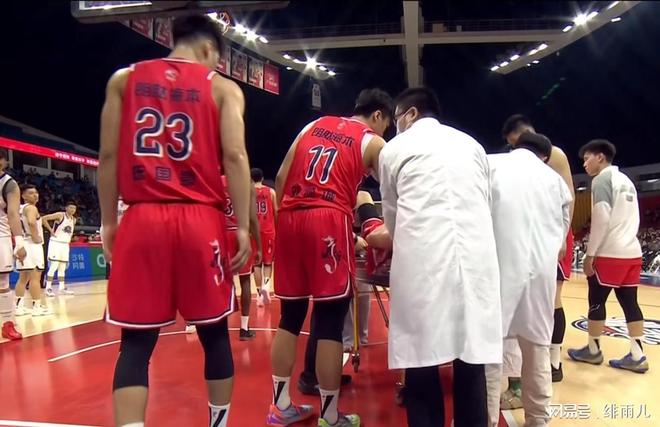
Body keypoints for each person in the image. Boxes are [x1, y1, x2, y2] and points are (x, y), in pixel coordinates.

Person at [98, 14, 252, 427]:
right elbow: (235, 156)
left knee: (135, 343)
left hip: (142, 216)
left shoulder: (123, 80)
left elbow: (108, 157)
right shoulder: (222, 88)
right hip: (200, 220)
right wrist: (242, 226)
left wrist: (109, 221)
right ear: (209, 49)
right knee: (214, 334)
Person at [267, 88, 391, 427]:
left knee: (290, 317)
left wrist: (288, 224)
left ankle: (279, 407)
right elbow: (395, 191)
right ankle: (330, 416)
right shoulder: (373, 142)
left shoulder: (314, 124)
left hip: (290, 215)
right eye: (386, 124)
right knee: (329, 322)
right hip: (328, 219)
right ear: (378, 116)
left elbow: (281, 176)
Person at [379, 87, 501, 427]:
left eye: (397, 118)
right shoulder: (472, 145)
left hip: (423, 261)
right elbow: (485, 203)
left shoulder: (394, 149)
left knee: (421, 363)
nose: (396, 126)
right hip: (476, 261)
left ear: (411, 113)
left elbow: (392, 214)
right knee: (471, 361)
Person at [485, 133, 572, 426]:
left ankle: (484, 418)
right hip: (540, 278)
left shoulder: (492, 165)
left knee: (489, 351)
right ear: (545, 156)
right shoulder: (556, 182)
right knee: (537, 350)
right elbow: (562, 238)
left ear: (515, 147)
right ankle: (538, 419)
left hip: (498, 271)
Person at [500, 114, 575, 401]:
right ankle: (531, 373)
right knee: (528, 308)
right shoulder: (519, 160)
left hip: (550, 232)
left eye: (514, 143)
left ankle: (554, 361)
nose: (513, 148)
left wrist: (562, 237)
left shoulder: (554, 155)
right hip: (527, 231)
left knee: (549, 301)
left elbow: (568, 197)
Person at [567, 140, 649, 373]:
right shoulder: (627, 181)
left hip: (610, 252)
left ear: (600, 157)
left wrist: (590, 254)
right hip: (632, 251)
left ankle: (593, 351)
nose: (584, 164)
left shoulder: (602, 179)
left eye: (587, 158)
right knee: (630, 304)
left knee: (596, 302)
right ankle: (638, 355)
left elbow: (602, 217)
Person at [221, 174, 262, 340]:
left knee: (222, 282)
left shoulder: (214, 179)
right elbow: (252, 218)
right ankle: (244, 328)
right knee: (245, 281)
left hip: (221, 234)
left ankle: (219, 327)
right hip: (240, 234)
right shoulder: (246, 181)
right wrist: (259, 246)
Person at [0, 149, 28, 340]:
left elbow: (12, 214)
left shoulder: (9, 184)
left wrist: (19, 242)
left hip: (1, 235)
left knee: (2, 282)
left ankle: (7, 323)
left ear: (4, 162)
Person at [14, 185, 52, 316]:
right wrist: (35, 236)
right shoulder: (31, 208)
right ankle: (36, 306)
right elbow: (31, 222)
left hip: (22, 243)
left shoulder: (19, 208)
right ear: (23, 196)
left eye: (36, 193)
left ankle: (18, 307)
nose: (35, 195)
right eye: (31, 193)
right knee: (36, 277)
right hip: (32, 245)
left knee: (23, 278)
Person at [251, 167, 277, 306]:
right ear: (262, 178)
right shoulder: (271, 192)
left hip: (253, 231)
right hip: (268, 230)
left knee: (256, 264)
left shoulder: (248, 192)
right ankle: (266, 286)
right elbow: (276, 210)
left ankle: (259, 294)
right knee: (267, 263)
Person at [43, 202, 78, 296]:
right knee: (54, 266)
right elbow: (44, 218)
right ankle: (48, 287)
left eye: (74, 208)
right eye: (70, 208)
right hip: (56, 243)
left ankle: (61, 288)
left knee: (62, 267)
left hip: (65, 244)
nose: (72, 210)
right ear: (66, 208)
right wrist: (50, 230)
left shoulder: (74, 220)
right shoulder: (60, 215)